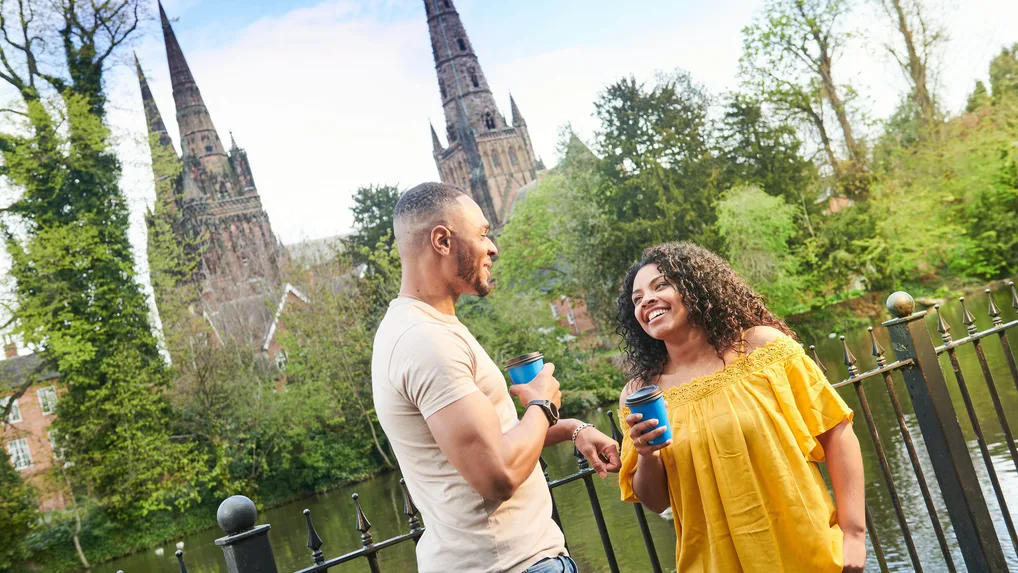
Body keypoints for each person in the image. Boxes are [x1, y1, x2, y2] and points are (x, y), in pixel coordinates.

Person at [372, 182, 622, 573]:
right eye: (483, 234)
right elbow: (499, 475)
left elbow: (492, 439)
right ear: (442, 240)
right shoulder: (425, 341)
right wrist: (542, 404)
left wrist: (570, 427)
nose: (494, 248)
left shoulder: (428, 327)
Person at [615, 242, 866, 573]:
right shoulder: (641, 394)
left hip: (806, 552)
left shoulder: (763, 348)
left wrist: (854, 535)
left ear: (696, 286)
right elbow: (657, 500)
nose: (646, 300)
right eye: (637, 299)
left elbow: (836, 433)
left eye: (661, 285)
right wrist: (648, 455)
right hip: (712, 563)